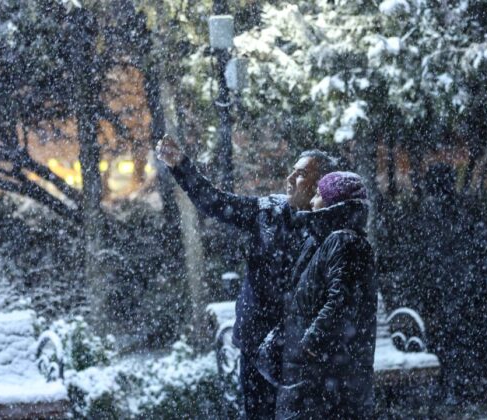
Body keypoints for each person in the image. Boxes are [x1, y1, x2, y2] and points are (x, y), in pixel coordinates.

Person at [155, 136, 339, 419]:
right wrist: (181, 165)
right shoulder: (267, 212)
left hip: (302, 352)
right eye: (293, 170)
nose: (289, 178)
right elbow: (214, 202)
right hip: (257, 346)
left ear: (320, 184)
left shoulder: (331, 230)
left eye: (301, 173)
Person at [274, 171, 377, 419]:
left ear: (336, 204)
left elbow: (341, 300)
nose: (312, 201)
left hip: (324, 370)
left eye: (319, 194)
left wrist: (310, 343)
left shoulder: (342, 241)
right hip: (319, 368)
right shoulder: (327, 240)